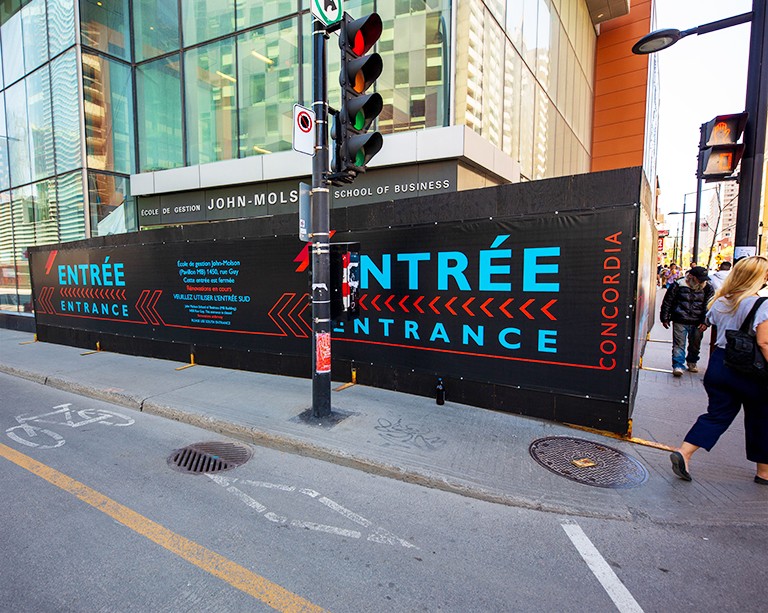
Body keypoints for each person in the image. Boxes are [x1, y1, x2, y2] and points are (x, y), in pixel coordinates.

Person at [670, 255, 768, 485]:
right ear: (756, 277)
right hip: (750, 369)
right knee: (761, 418)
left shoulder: (721, 301)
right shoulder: (761, 305)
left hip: (720, 364)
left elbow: (712, 326)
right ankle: (764, 472)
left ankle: (684, 452)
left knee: (717, 414)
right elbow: (763, 342)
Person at [660, 266, 715, 376]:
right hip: (680, 319)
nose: (702, 281)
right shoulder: (678, 285)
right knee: (679, 344)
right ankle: (678, 365)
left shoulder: (708, 288)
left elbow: (709, 306)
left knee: (695, 344)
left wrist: (705, 322)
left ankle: (692, 361)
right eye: (699, 278)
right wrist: (664, 318)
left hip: (698, 321)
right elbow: (668, 301)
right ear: (691, 276)